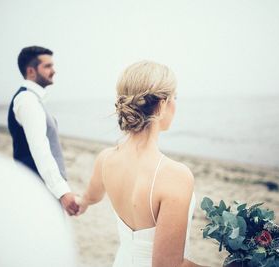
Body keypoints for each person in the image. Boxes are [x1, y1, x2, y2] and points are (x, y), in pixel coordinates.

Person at [77, 61, 207, 267]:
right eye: (175, 98)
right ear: (163, 104)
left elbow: (91, 196)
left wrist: (81, 203)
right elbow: (167, 265)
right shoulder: (175, 175)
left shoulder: (105, 159)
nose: (175, 104)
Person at [7, 46, 80, 216]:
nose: (53, 71)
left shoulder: (32, 99)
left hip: (41, 186)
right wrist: (62, 192)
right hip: (37, 188)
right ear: (31, 71)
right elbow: (40, 149)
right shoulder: (27, 100)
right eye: (47, 66)